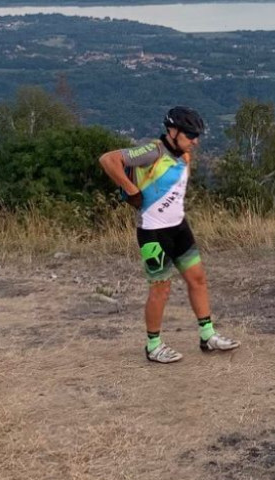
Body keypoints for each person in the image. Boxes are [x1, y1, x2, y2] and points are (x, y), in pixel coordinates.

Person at [99, 105, 239, 363]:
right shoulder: (154, 151)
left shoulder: (184, 155)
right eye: (189, 135)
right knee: (160, 288)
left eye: (197, 136)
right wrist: (131, 190)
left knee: (197, 280)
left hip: (179, 228)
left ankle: (207, 335)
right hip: (153, 233)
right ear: (172, 131)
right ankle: (153, 346)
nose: (195, 142)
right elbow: (108, 159)